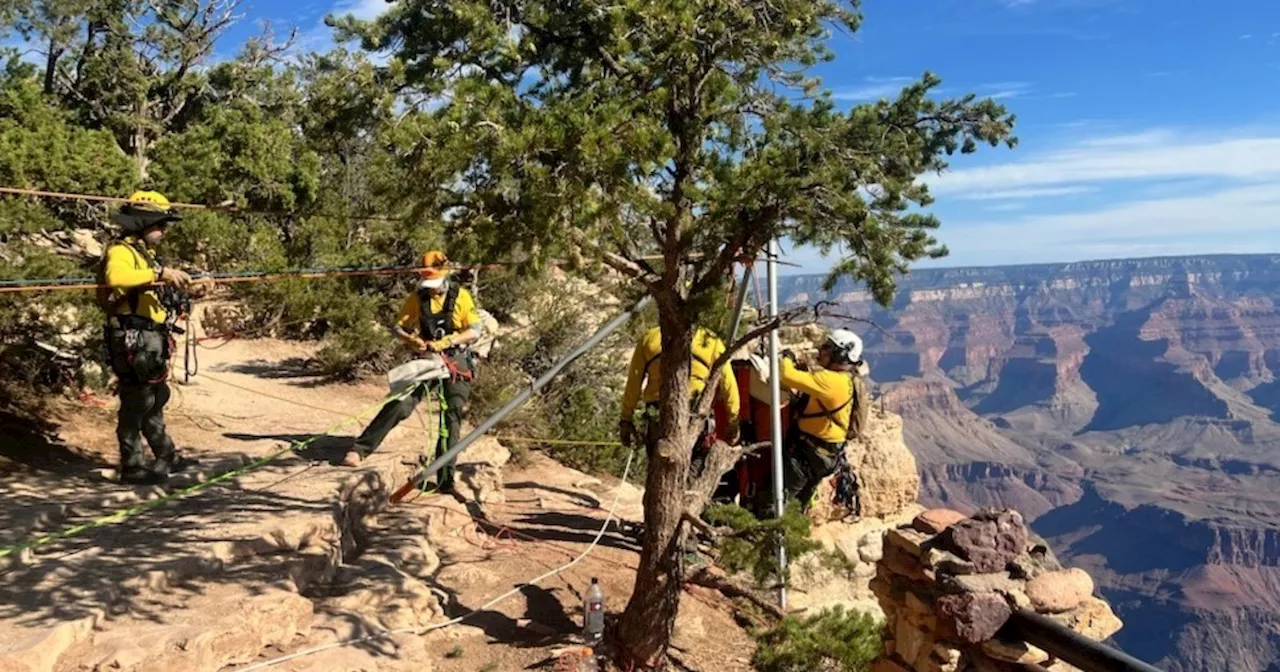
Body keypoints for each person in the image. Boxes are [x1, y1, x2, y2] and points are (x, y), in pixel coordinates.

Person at [342, 250, 482, 494]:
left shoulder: (462, 297)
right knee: (401, 403)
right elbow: (399, 327)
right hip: (427, 359)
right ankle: (360, 449)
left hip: (456, 360)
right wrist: (411, 340)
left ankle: (445, 476)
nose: (432, 290)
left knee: (451, 414)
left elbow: (474, 331)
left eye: (435, 284)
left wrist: (447, 342)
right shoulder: (416, 299)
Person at [99, 190, 198, 485]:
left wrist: (188, 289)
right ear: (141, 223)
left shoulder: (146, 256)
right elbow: (116, 278)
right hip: (132, 335)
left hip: (150, 335)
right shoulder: (121, 251)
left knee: (156, 396)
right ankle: (132, 465)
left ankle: (165, 453)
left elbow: (155, 290)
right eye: (159, 224)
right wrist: (161, 272)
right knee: (137, 399)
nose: (164, 230)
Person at [619, 325, 741, 468]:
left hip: (657, 412)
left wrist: (626, 418)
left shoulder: (650, 338)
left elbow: (634, 381)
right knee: (692, 469)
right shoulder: (710, 340)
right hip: (696, 412)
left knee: (658, 468)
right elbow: (728, 384)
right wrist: (733, 420)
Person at [779, 329, 870, 511]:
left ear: (840, 354)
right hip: (825, 454)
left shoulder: (830, 381)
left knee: (778, 502)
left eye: (827, 347)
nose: (821, 349)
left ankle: (770, 536)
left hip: (808, 453)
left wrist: (786, 357)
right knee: (798, 504)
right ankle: (790, 534)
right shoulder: (846, 379)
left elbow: (786, 374)